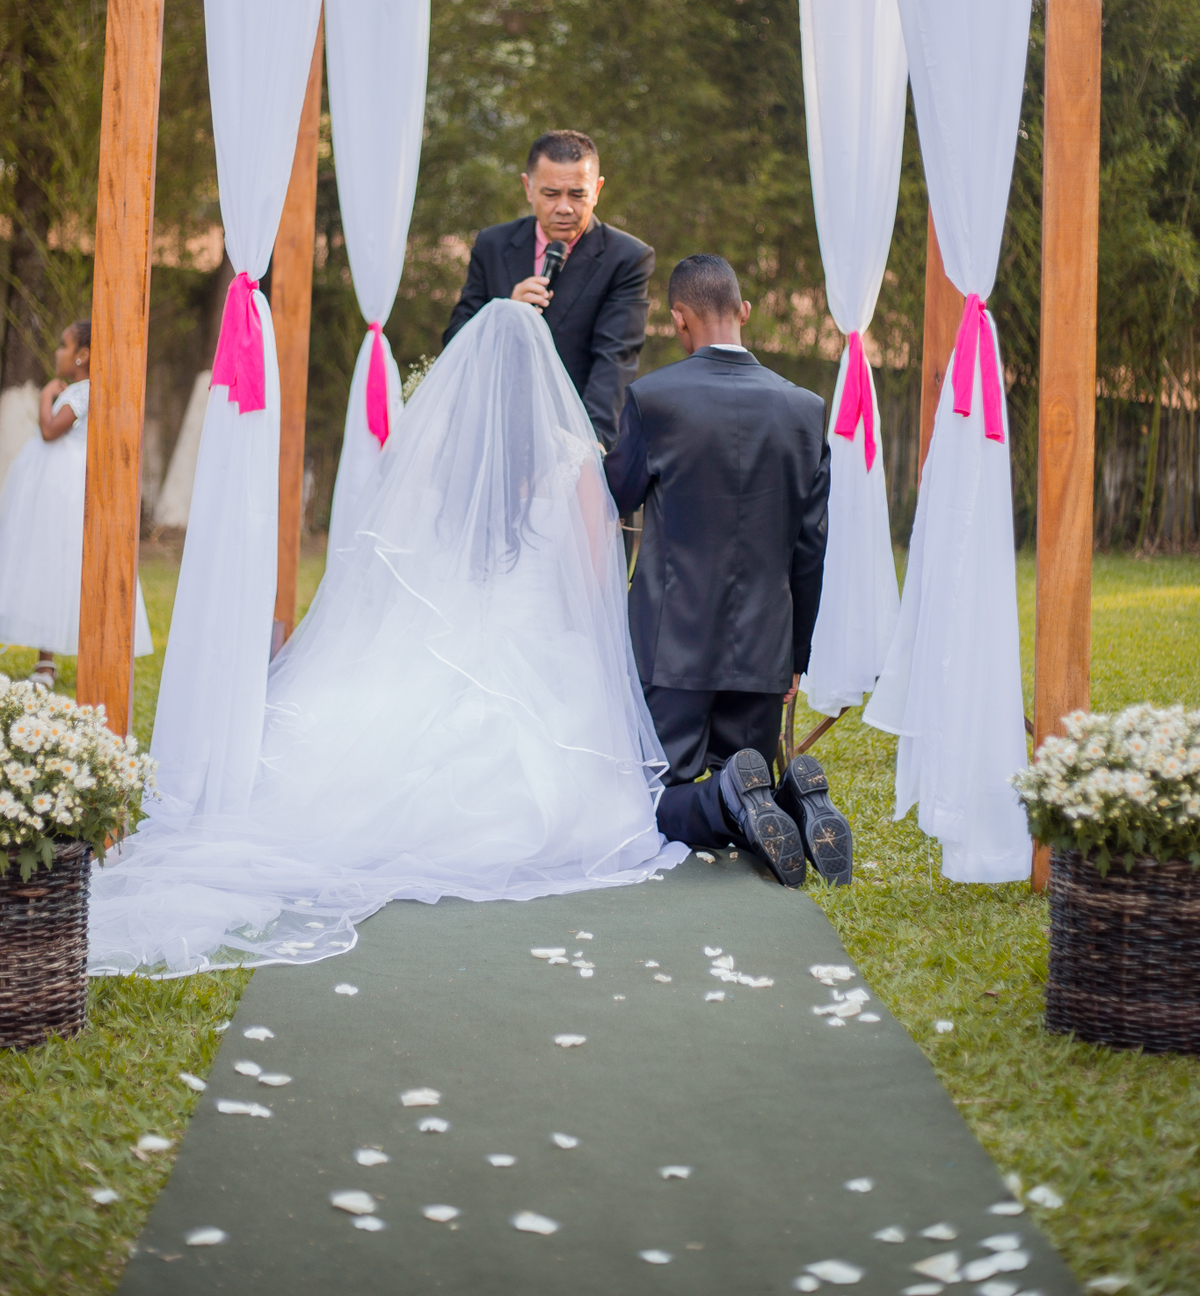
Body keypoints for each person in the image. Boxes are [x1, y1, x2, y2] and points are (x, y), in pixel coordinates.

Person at [87, 300, 686, 977]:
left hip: (443, 631)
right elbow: (588, 590)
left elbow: (398, 560)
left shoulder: (442, 456)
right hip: (539, 640)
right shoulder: (574, 462)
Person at [604, 254, 852, 889]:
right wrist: (794, 655)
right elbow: (812, 546)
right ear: (744, 312)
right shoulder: (804, 409)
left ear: (678, 320)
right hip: (764, 651)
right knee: (749, 774)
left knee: (647, 801)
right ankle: (789, 795)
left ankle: (728, 798)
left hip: (672, 651)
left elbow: (616, 494)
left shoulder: (653, 399)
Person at [443, 131, 653, 450]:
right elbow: (455, 340)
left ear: (597, 190)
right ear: (528, 188)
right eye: (551, 194)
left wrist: (587, 447)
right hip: (490, 435)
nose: (564, 207)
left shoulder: (626, 258)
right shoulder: (492, 244)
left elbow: (614, 361)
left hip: (570, 437)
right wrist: (503, 312)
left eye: (577, 194)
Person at [0, 319, 152, 686]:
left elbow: (50, 431)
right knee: (51, 566)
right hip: (57, 487)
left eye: (64, 346)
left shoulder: (81, 392)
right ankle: (46, 662)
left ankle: (47, 663)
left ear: (82, 355)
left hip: (60, 491)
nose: (58, 352)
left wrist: (46, 397)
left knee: (52, 564)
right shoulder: (86, 390)